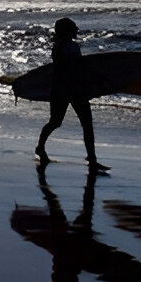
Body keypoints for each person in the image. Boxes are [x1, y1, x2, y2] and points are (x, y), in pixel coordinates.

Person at [35, 17, 102, 169]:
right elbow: (66, 69)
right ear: (66, 31)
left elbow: (78, 68)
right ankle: (40, 147)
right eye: (73, 27)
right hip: (62, 90)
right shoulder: (59, 47)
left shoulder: (73, 46)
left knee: (87, 124)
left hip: (76, 89)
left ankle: (92, 159)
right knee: (55, 122)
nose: (77, 29)